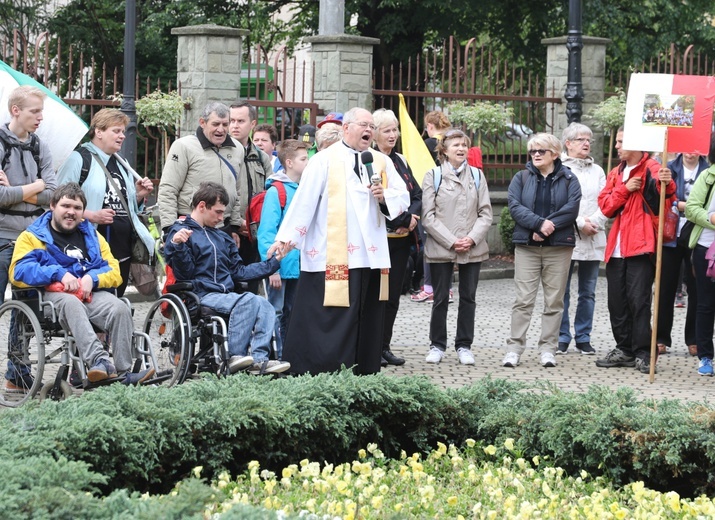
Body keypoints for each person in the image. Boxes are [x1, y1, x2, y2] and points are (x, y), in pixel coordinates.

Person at [267, 107, 410, 375]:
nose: (368, 130)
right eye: (363, 125)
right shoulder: (324, 160)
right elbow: (305, 201)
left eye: (371, 126)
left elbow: (403, 198)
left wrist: (384, 196)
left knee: (366, 314)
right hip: (331, 253)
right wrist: (287, 239)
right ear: (346, 128)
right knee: (332, 316)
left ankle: (363, 370)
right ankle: (322, 371)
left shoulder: (380, 161)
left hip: (370, 255)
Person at [9, 183, 154, 389]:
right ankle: (99, 361)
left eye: (77, 208)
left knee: (119, 307)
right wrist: (59, 273)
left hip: (88, 292)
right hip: (50, 295)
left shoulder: (93, 236)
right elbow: (18, 271)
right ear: (52, 206)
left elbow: (114, 270)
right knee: (70, 303)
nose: (71, 212)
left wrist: (92, 279)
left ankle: (124, 372)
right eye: (66, 206)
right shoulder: (32, 236)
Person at [164, 182, 290, 375]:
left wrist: (275, 261)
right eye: (218, 212)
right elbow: (184, 274)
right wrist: (178, 246)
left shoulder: (221, 237)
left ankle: (259, 360)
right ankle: (233, 357)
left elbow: (240, 271)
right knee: (248, 300)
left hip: (225, 295)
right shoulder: (180, 231)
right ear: (201, 206)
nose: (222, 218)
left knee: (264, 304)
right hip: (200, 294)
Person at [595, 128, 675, 374]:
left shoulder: (652, 167)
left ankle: (643, 352)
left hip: (641, 246)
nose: (617, 146)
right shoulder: (616, 172)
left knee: (639, 301)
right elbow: (606, 206)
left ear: (637, 144)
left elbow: (667, 196)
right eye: (617, 142)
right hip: (616, 248)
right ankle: (624, 349)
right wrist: (625, 188)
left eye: (621, 142)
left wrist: (667, 181)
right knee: (616, 302)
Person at [503, 133, 581, 368]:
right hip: (527, 247)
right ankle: (514, 348)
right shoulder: (522, 177)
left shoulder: (569, 178)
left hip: (558, 248)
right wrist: (537, 224)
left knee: (554, 301)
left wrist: (546, 227)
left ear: (555, 154)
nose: (536, 155)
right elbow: (514, 206)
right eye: (533, 151)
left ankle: (548, 349)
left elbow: (572, 209)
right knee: (523, 300)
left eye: (541, 151)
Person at [57, 108, 155, 296]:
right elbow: (59, 200)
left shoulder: (121, 162)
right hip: (92, 248)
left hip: (122, 249)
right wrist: (91, 215)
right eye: (116, 131)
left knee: (116, 298)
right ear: (99, 132)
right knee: (96, 302)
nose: (122, 136)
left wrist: (138, 195)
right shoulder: (79, 159)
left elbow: (127, 205)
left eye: (123, 131)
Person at [422, 128, 492, 365]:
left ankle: (464, 345)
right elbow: (428, 216)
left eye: (464, 145)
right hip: (442, 247)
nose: (461, 149)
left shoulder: (477, 176)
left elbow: (485, 213)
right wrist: (452, 241)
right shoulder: (433, 176)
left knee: (468, 298)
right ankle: (437, 345)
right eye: (456, 145)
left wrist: (471, 238)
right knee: (440, 298)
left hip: (472, 247)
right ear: (444, 150)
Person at [372, 108, 423, 367]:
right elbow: (375, 199)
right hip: (379, 239)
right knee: (376, 296)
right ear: (374, 133)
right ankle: (372, 348)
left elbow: (417, 194)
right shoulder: (370, 160)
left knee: (393, 296)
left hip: (402, 242)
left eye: (395, 130)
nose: (392, 135)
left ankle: (385, 346)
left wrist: (412, 218)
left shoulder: (400, 160)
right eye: (386, 130)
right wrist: (403, 220)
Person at [0, 85, 57, 303]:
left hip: (33, 237)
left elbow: (52, 195)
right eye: (34, 111)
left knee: (27, 308)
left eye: (41, 111)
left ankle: (17, 340)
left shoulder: (40, 147)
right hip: (3, 236)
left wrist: (12, 188)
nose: (40, 117)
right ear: (16, 110)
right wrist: (36, 186)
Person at [158, 102, 244, 243]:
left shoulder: (237, 149)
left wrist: (234, 227)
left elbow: (237, 191)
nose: (221, 130)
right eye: (216, 124)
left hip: (224, 228)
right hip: (191, 228)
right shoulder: (183, 146)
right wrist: (169, 229)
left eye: (225, 124)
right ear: (202, 122)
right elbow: (168, 189)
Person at [557, 123, 607, 355]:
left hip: (594, 235)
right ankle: (562, 336)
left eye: (589, 139)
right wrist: (580, 223)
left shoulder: (597, 170)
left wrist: (594, 223)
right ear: (568, 143)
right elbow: (559, 203)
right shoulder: (559, 168)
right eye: (581, 139)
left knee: (588, 291)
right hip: (566, 235)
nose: (586, 143)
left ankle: (584, 336)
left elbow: (606, 201)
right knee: (561, 291)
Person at [256, 140, 308, 359]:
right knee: (275, 312)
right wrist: (272, 268)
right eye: (304, 159)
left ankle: (289, 355)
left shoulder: (304, 189)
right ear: (289, 162)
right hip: (282, 265)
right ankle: (272, 356)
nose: (308, 162)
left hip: (299, 265)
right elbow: (267, 232)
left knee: (293, 313)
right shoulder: (276, 191)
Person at [656, 151, 708, 356]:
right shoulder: (668, 168)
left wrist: (690, 207)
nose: (691, 152)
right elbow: (658, 195)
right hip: (671, 234)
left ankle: (694, 338)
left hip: (698, 233)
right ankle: (660, 337)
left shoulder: (707, 171)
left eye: (696, 147)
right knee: (665, 286)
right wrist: (677, 203)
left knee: (697, 287)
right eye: (688, 147)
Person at [229, 102, 273, 293]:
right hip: (230, 231)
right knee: (230, 285)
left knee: (251, 288)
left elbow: (270, 195)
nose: (234, 125)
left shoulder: (261, 157)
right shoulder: (223, 153)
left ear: (252, 124)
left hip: (255, 234)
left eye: (240, 121)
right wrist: (235, 223)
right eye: (231, 121)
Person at [412, 110, 452, 303]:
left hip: (429, 200)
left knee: (429, 244)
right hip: (450, 200)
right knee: (447, 242)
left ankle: (429, 288)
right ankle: (447, 288)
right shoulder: (453, 143)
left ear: (429, 126)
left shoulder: (427, 145)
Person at [684, 139, 715, 376]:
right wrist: (712, 219)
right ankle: (705, 356)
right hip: (706, 249)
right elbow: (691, 208)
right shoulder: (707, 176)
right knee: (705, 304)